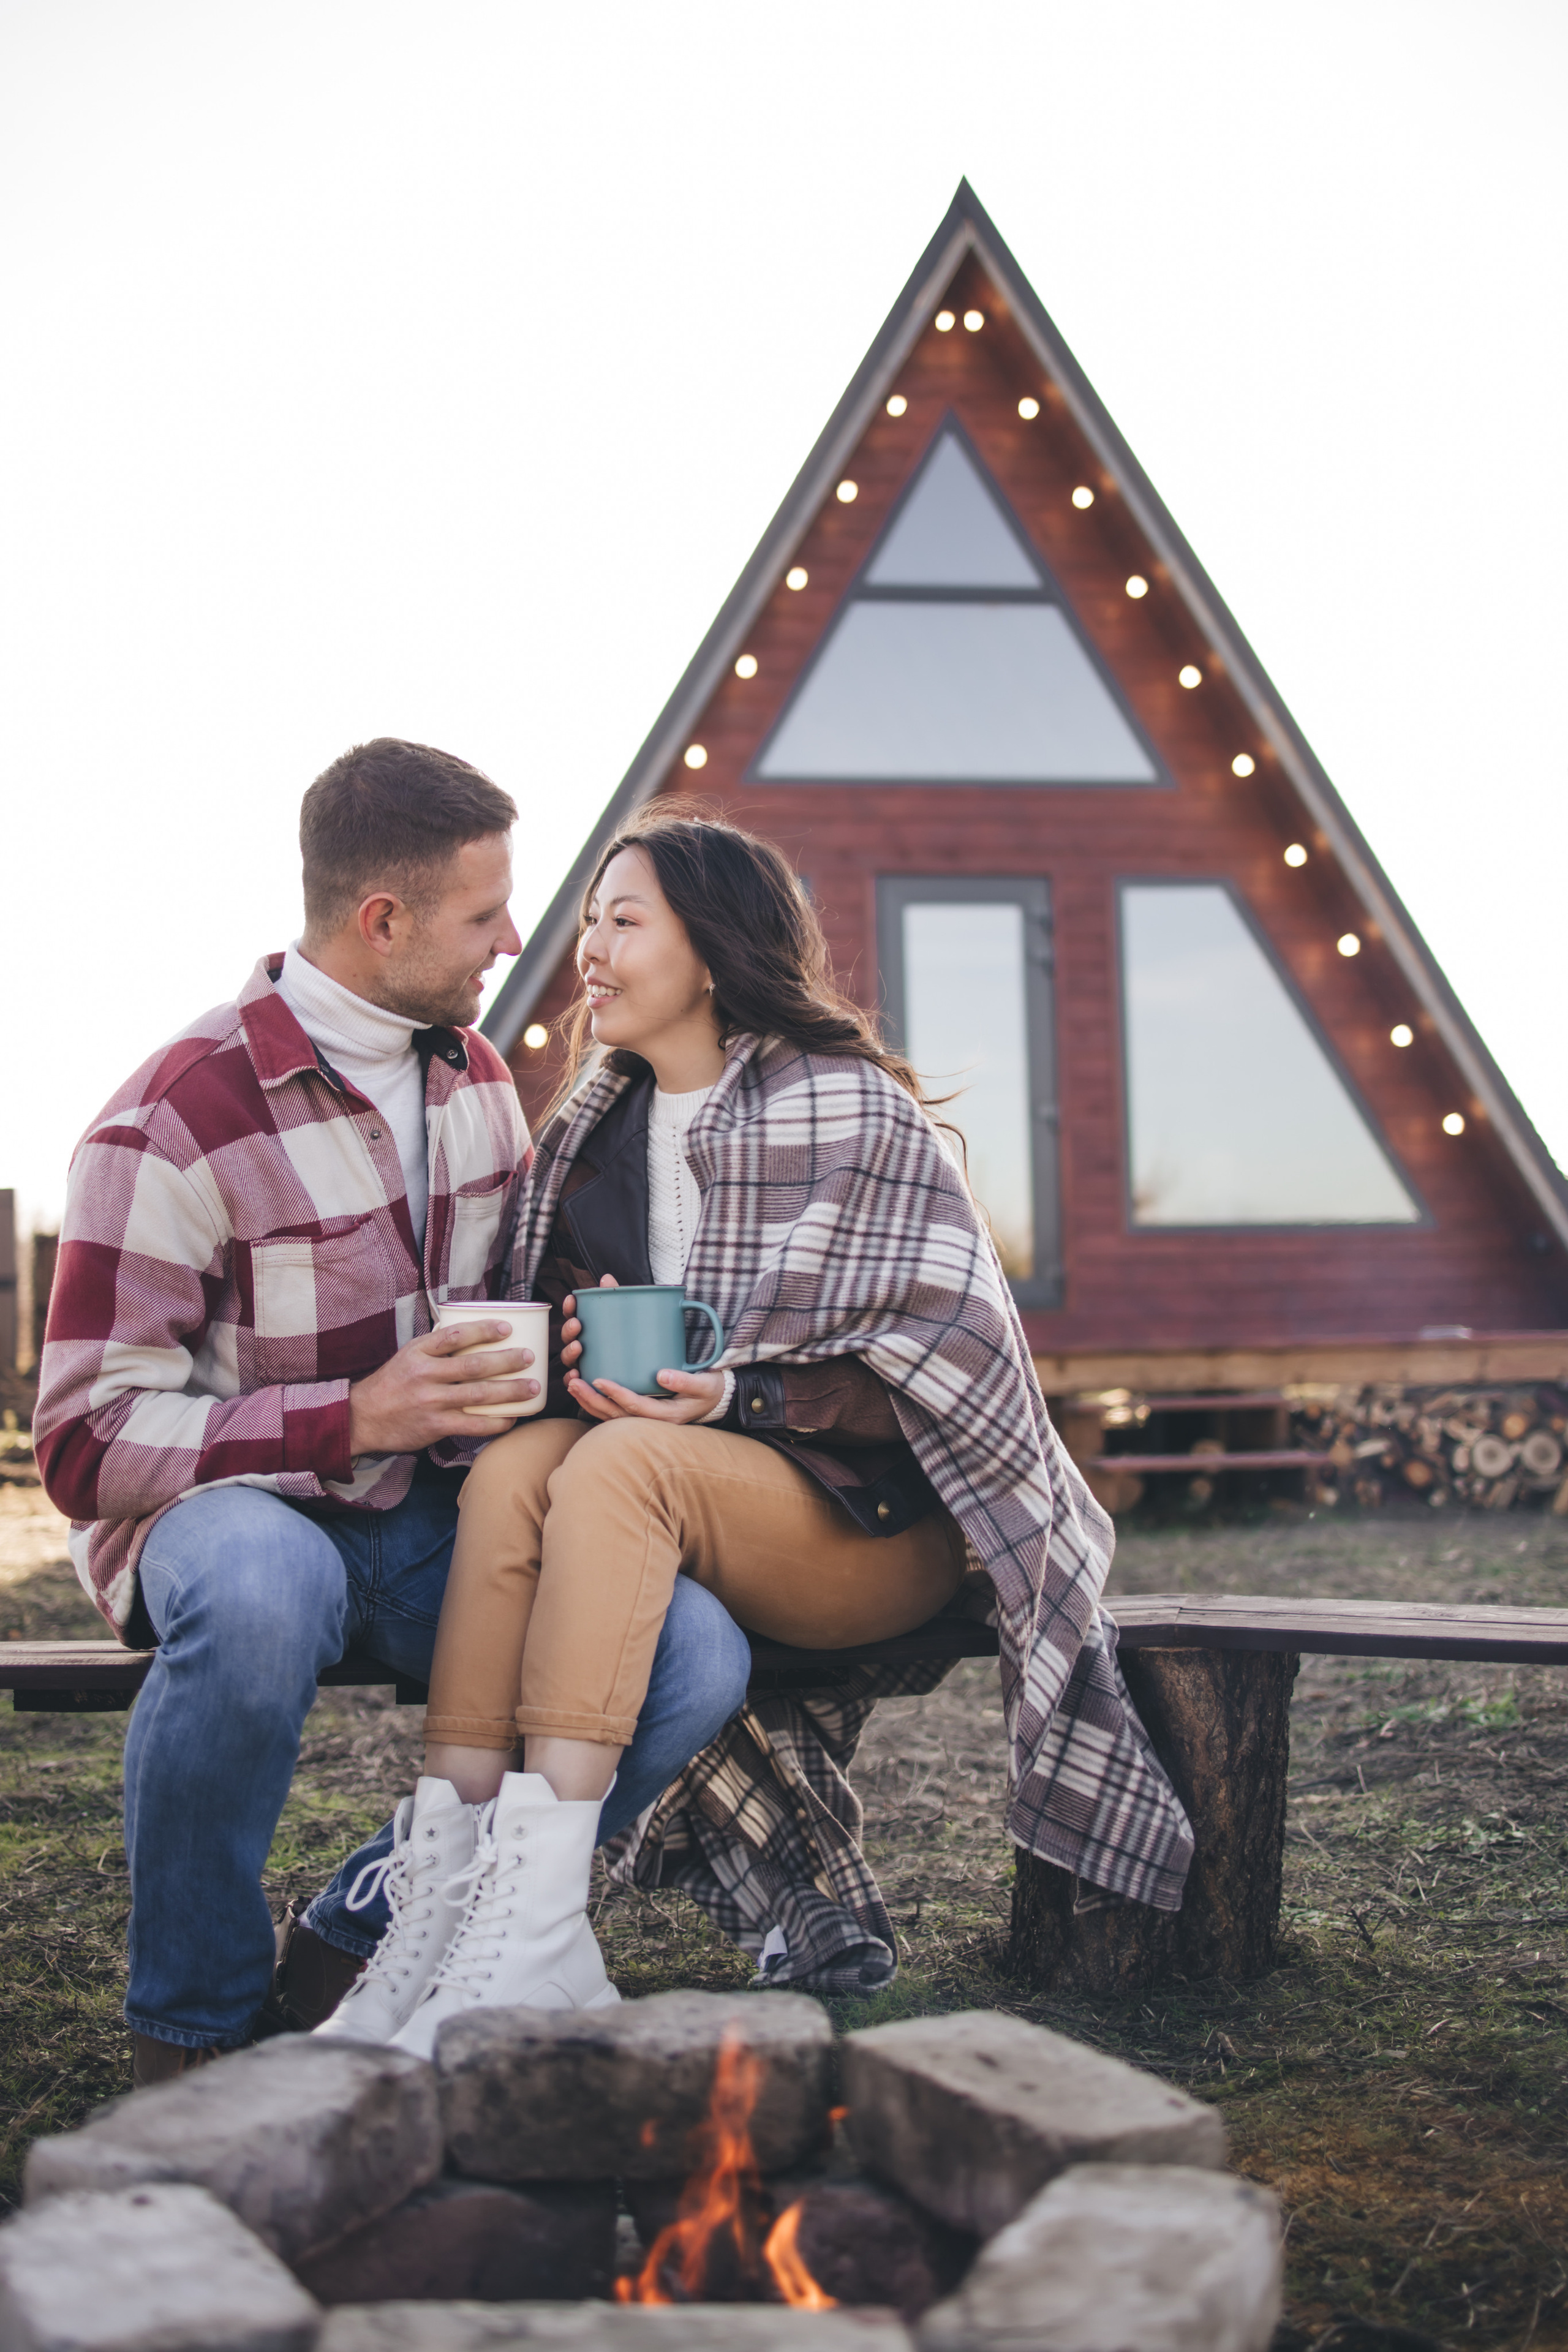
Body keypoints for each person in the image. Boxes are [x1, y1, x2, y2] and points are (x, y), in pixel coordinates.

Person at [310, 808, 1195, 2056]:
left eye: (625, 922)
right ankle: (447, 1914)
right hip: (685, 1498)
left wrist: (744, 1396)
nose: (591, 952)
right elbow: (573, 1367)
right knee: (513, 1469)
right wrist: (568, 1357)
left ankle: (540, 1931)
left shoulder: (853, 1119)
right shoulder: (585, 1136)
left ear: (711, 950)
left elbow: (954, 1379)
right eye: (589, 925)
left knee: (622, 1468)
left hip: (873, 1526)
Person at [31, 741, 750, 2084]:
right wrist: (347, 1418)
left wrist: (578, 1344)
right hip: (232, 1516)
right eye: (486, 914)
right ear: (384, 921)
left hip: (432, 1515)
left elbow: (507, 1306)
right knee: (255, 1592)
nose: (517, 939)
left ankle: (374, 1925)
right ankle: (191, 2029)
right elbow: (79, 1446)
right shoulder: (172, 1120)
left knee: (688, 1654)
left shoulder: (473, 1077)